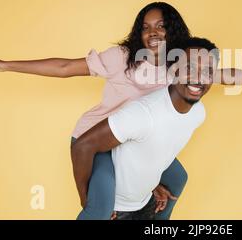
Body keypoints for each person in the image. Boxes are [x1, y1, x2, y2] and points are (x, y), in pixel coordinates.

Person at [0, 2, 242, 219]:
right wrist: (5, 64)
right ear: (139, 33)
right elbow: (63, 66)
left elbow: (223, 74)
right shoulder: (121, 57)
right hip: (98, 140)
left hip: (137, 141)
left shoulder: (180, 66)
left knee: (177, 179)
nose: (153, 32)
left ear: (173, 31)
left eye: (161, 26)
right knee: (100, 209)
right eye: (146, 27)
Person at [71, 37, 219, 219]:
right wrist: (86, 199)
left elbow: (153, 151)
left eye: (208, 71)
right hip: (115, 210)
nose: (199, 78)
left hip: (144, 204)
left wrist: (153, 184)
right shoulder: (142, 113)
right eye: (189, 68)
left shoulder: (198, 113)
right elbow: (83, 145)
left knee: (179, 179)